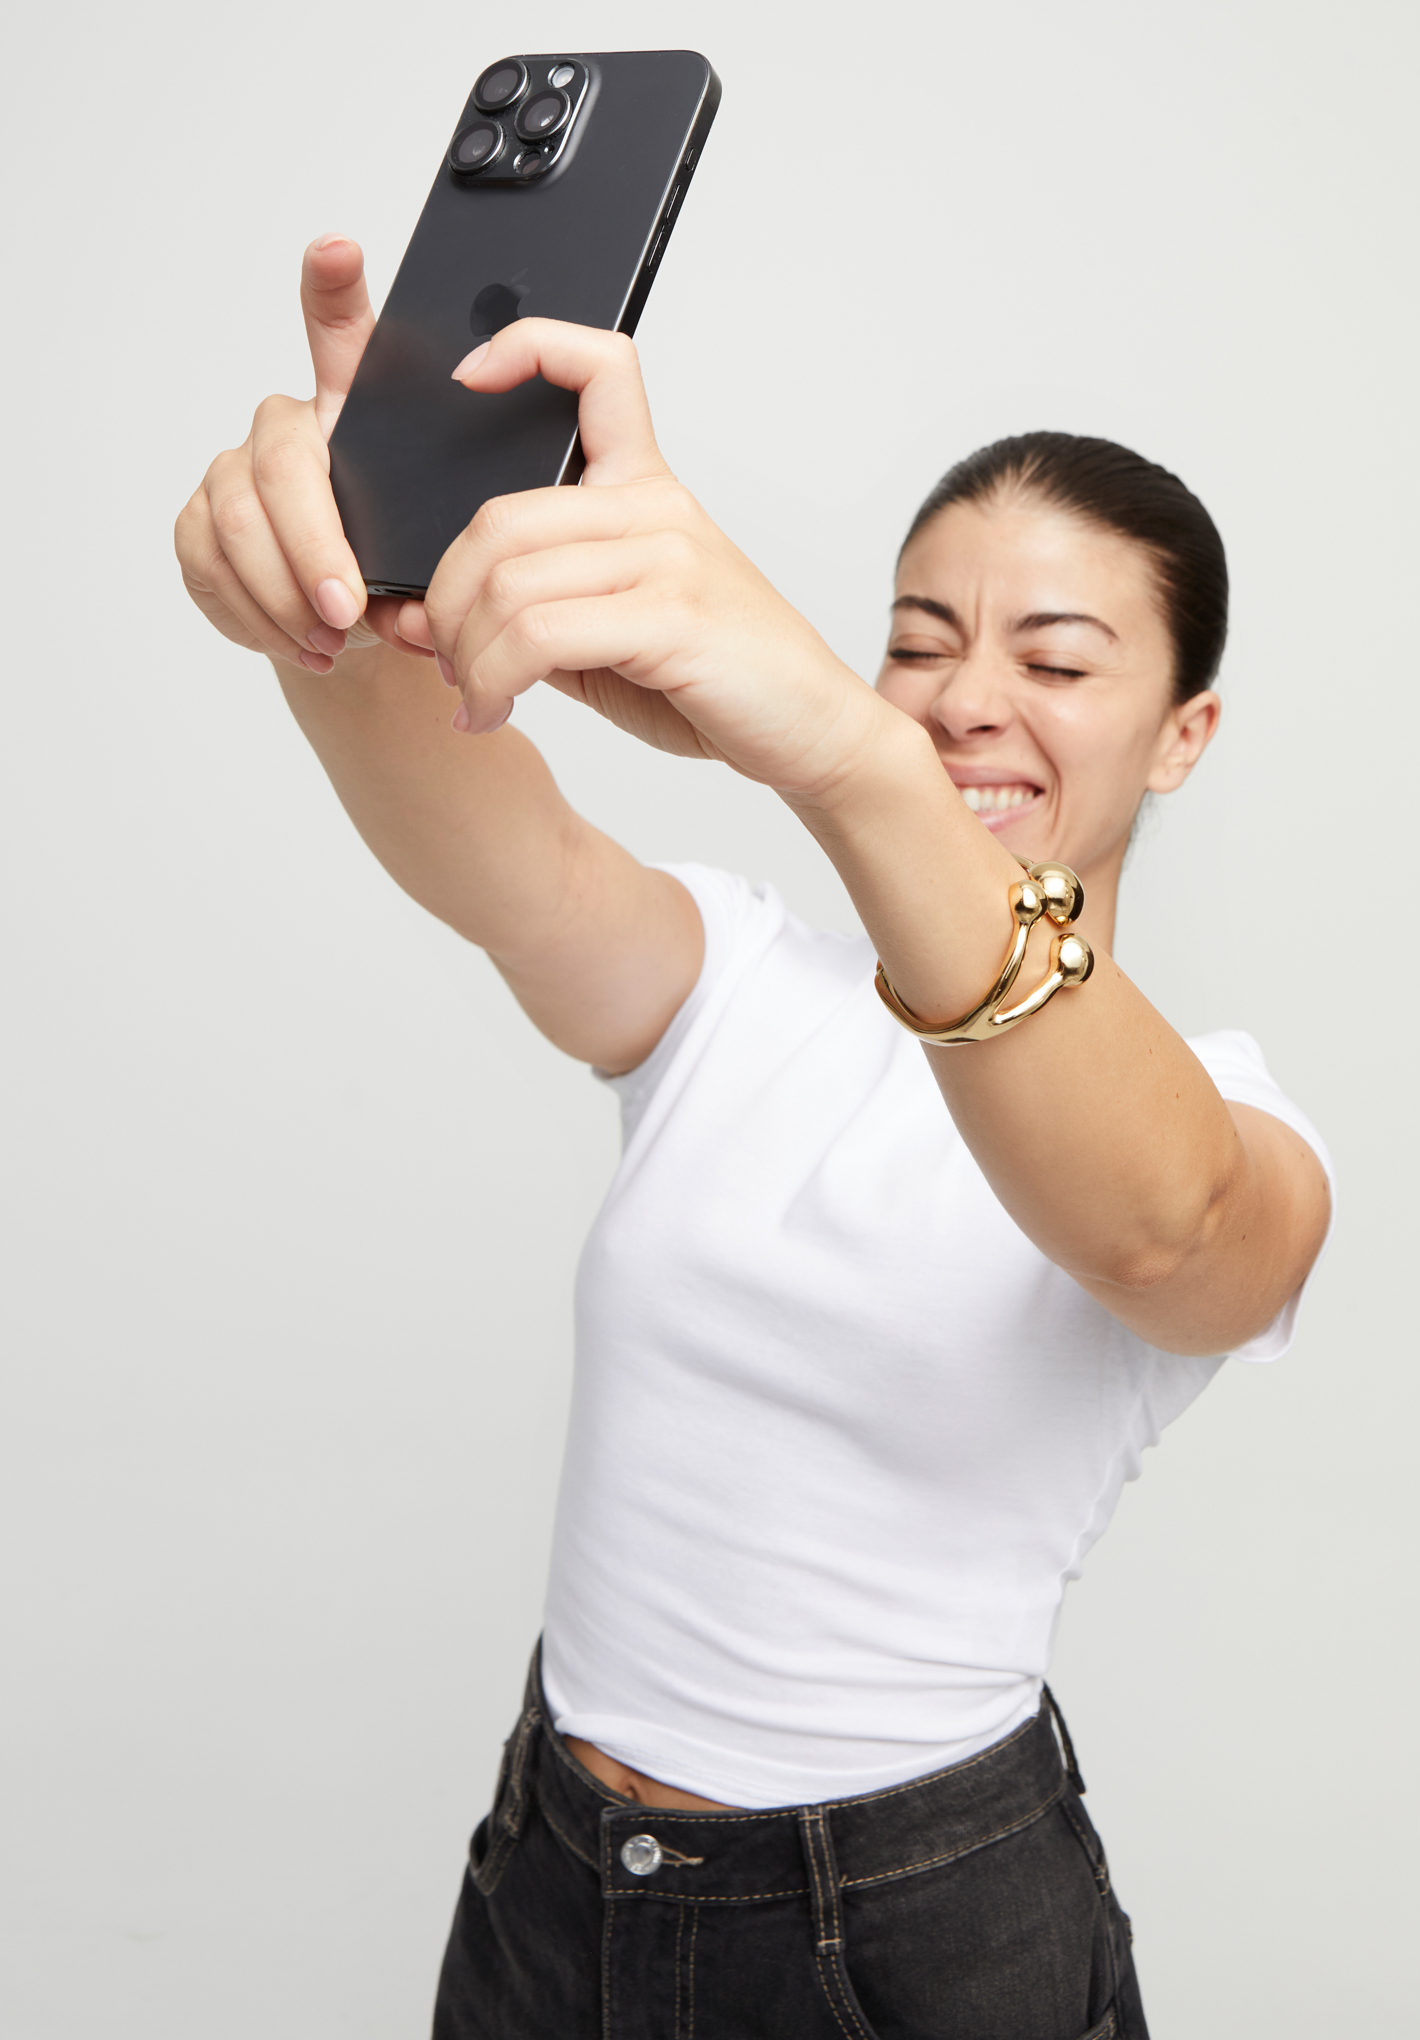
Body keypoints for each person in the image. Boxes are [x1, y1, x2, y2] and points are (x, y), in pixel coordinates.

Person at [176, 235, 1333, 2040]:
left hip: (914, 1938)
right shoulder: (741, 991)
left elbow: (1163, 1237)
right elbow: (510, 865)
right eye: (919, 643)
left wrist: (841, 758)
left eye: (1058, 659)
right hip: (551, 1872)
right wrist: (337, 586)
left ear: (1184, 734)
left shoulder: (1227, 1113)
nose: (964, 700)